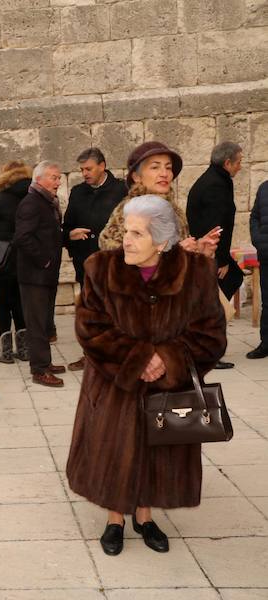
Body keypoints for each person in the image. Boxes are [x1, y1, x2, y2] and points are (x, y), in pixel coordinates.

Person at [66, 195, 226, 556]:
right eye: (126, 230)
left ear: (163, 241)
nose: (126, 239)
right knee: (114, 450)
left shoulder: (195, 273)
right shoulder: (100, 269)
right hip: (114, 388)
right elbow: (90, 327)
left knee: (158, 452)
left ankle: (145, 515)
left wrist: (168, 359)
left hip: (167, 389)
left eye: (137, 233)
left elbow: (210, 334)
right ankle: (114, 519)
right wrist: (138, 358)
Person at [61, 148, 128, 371]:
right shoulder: (78, 191)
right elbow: (68, 225)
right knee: (91, 312)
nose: (85, 173)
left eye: (88, 169)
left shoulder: (121, 190)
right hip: (86, 262)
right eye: (82, 170)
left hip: (114, 263)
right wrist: (70, 235)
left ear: (102, 165)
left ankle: (117, 356)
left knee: (115, 310)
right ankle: (90, 355)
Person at [98, 141, 221, 256]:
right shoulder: (128, 213)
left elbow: (180, 268)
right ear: (136, 177)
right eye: (155, 167)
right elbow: (118, 262)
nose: (164, 173)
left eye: (168, 167)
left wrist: (198, 251)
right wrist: (173, 255)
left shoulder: (175, 211)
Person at [187, 141, 245, 370]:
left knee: (219, 296)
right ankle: (206, 349)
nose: (240, 166)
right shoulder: (215, 185)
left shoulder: (217, 179)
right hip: (209, 253)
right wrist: (220, 260)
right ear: (227, 162)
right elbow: (215, 225)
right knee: (212, 303)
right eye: (238, 162)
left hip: (212, 251)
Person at [13, 161, 66, 387]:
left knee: (44, 321)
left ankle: (45, 362)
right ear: (40, 179)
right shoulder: (31, 203)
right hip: (35, 275)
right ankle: (39, 370)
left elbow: (47, 234)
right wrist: (44, 260)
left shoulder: (47, 202)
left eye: (58, 176)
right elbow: (22, 238)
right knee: (36, 322)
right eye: (53, 177)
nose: (58, 181)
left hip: (46, 274)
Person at [0, 161, 32, 364]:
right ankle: (24, 349)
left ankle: (6, 352)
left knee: (3, 304)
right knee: (20, 303)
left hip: (2, 260)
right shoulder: (31, 197)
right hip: (25, 258)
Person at [249, 180, 268, 359]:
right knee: (267, 302)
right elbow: (254, 216)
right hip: (266, 253)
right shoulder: (264, 187)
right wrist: (258, 239)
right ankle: (266, 343)